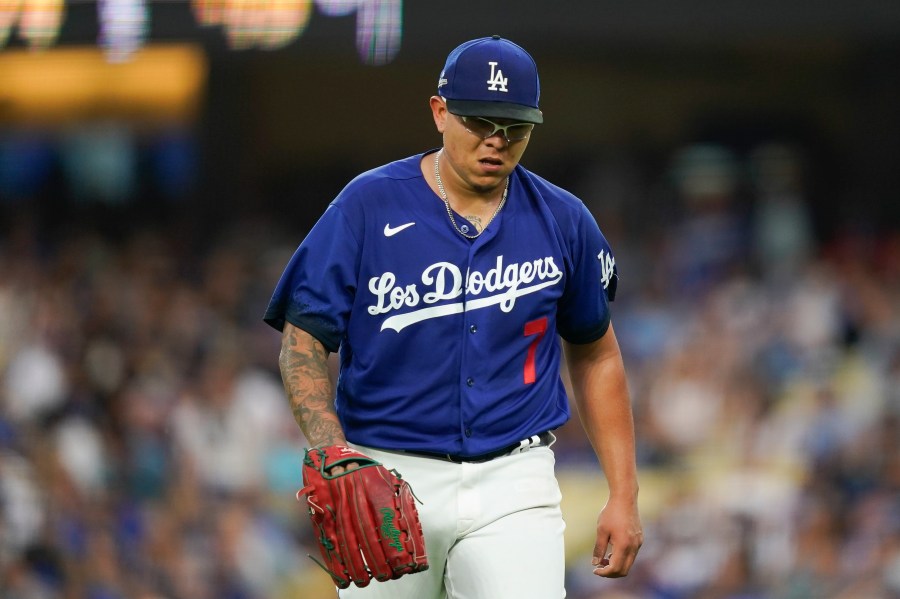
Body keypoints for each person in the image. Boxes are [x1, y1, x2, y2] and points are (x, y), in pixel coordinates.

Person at [264, 35, 643, 598]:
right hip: (386, 472)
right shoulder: (367, 206)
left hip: (514, 479)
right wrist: (333, 450)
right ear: (440, 113)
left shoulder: (564, 220)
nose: (497, 141)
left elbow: (595, 349)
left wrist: (624, 493)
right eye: (479, 121)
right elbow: (303, 344)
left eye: (514, 127)